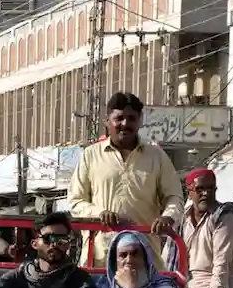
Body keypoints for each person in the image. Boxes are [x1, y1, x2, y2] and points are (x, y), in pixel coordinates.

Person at [68, 91, 185, 268]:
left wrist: (168, 217)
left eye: (131, 118)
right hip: (100, 258)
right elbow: (75, 201)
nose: (125, 124)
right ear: (107, 122)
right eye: (119, 118)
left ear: (140, 121)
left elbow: (174, 197)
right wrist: (99, 213)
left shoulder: (156, 156)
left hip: (144, 258)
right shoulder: (90, 155)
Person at [181, 168, 233, 288]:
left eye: (210, 189)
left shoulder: (225, 218)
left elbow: (222, 262)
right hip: (194, 286)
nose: (206, 193)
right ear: (189, 192)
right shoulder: (184, 220)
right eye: (200, 189)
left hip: (226, 286)